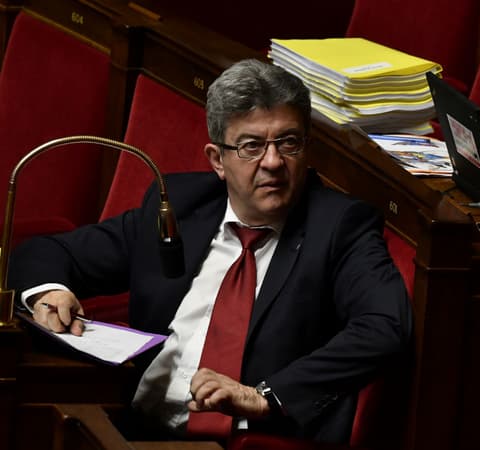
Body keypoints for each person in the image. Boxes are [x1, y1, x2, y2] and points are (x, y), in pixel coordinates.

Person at [9, 59, 412, 443]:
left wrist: (264, 395)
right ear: (217, 160)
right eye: (251, 146)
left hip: (246, 443)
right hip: (127, 426)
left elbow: (385, 326)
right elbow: (48, 253)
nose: (273, 162)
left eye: (288, 142)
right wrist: (49, 292)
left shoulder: (339, 226)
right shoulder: (180, 206)